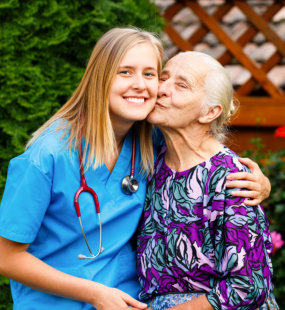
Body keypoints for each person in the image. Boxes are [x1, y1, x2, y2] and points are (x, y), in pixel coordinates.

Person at [0, 27, 270, 310]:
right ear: (100, 78)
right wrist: (94, 293)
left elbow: (202, 152)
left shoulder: (150, 143)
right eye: (125, 72)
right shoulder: (47, 156)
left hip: (130, 302)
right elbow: (6, 257)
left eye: (151, 74)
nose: (142, 85)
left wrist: (261, 183)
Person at [137, 51, 279, 310]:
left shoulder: (230, 179)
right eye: (163, 78)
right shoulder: (152, 157)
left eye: (181, 85)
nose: (161, 89)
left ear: (209, 112)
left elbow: (248, 286)